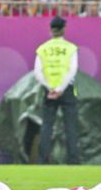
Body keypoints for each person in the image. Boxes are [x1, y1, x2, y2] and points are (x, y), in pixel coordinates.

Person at [34, 16, 80, 165]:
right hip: (66, 90)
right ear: (64, 29)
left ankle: (42, 161)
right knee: (71, 127)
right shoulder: (71, 48)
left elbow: (38, 72)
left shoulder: (42, 48)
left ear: (51, 30)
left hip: (49, 90)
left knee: (47, 127)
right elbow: (72, 70)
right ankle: (73, 161)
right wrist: (61, 89)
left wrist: (51, 89)